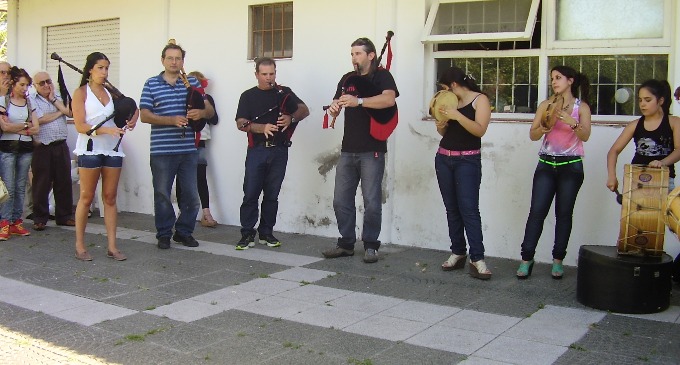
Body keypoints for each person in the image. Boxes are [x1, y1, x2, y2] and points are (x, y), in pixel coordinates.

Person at [321, 37, 399, 263]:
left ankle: (371, 245)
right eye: (352, 53)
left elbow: (388, 100)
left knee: (372, 201)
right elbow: (336, 106)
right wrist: (334, 108)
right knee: (340, 199)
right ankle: (346, 243)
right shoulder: (348, 79)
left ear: (371, 55)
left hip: (372, 148)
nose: (354, 57)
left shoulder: (382, 75)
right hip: (348, 148)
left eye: (358, 53)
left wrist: (361, 101)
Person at [517, 65, 591, 280]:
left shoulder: (581, 107)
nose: (554, 82)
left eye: (558, 78)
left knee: (564, 214)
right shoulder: (546, 105)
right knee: (536, 212)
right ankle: (526, 259)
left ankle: (558, 261)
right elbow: (533, 135)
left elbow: (585, 136)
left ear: (570, 81)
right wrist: (543, 128)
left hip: (572, 165)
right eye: (552, 78)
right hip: (546, 164)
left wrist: (572, 122)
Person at [140, 42, 214, 250]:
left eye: (178, 58)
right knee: (162, 194)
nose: (174, 62)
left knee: (191, 194)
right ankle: (164, 233)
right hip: (162, 151)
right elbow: (144, 115)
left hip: (188, 149)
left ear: (183, 61)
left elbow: (208, 109)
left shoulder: (191, 82)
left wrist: (201, 113)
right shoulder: (151, 83)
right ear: (162, 60)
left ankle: (183, 232)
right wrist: (171, 120)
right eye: (170, 58)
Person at [234, 57, 309, 250]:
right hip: (257, 150)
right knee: (250, 193)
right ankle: (247, 233)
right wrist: (261, 127)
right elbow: (241, 122)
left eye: (272, 74)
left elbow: (304, 110)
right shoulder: (248, 96)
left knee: (272, 194)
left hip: (279, 150)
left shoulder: (284, 92)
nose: (269, 78)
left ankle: (266, 232)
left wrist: (290, 118)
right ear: (257, 74)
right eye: (265, 74)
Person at [72, 52, 138, 261]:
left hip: (112, 149)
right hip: (90, 148)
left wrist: (132, 121)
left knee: (110, 197)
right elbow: (80, 125)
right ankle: (80, 246)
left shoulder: (112, 93)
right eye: (100, 67)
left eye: (107, 68)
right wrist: (106, 131)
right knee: (86, 196)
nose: (104, 72)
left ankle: (112, 246)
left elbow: (132, 108)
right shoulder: (81, 92)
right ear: (90, 69)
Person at [434, 67, 493, 280]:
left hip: (467, 159)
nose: (443, 92)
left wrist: (458, 115)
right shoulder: (449, 101)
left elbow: (480, 130)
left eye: (444, 87)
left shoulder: (480, 100)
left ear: (454, 85)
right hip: (444, 157)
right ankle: (458, 251)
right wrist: (441, 125)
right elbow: (443, 131)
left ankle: (477, 258)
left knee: (469, 209)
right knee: (452, 208)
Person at [607, 80, 680, 194]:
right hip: (637, 179)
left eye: (648, 100)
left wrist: (662, 162)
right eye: (640, 100)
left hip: (664, 179)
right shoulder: (634, 125)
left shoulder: (674, 122)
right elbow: (613, 151)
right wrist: (612, 176)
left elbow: (679, 149)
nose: (642, 104)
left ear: (660, 100)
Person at [29, 71, 75, 231]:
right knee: (41, 183)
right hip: (43, 147)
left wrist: (56, 102)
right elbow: (41, 120)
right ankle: (40, 218)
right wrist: (60, 111)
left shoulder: (58, 97)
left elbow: (70, 112)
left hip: (60, 144)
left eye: (48, 81)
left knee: (64, 181)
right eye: (41, 83)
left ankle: (64, 216)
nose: (46, 85)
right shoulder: (32, 100)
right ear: (35, 86)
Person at [175, 71, 219, 228]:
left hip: (201, 142)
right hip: (184, 141)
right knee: (180, 179)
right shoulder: (182, 97)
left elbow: (214, 119)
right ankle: (182, 212)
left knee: (201, 177)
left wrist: (202, 111)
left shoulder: (207, 98)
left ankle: (206, 213)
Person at [0, 66, 40, 240]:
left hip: (25, 148)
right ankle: (4, 223)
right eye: (22, 85)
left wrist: (20, 128)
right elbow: (5, 127)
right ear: (13, 84)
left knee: (20, 185)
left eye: (27, 85)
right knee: (8, 187)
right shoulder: (5, 100)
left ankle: (16, 221)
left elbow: (36, 127)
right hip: (7, 148)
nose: (25, 89)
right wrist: (25, 126)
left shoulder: (29, 103)